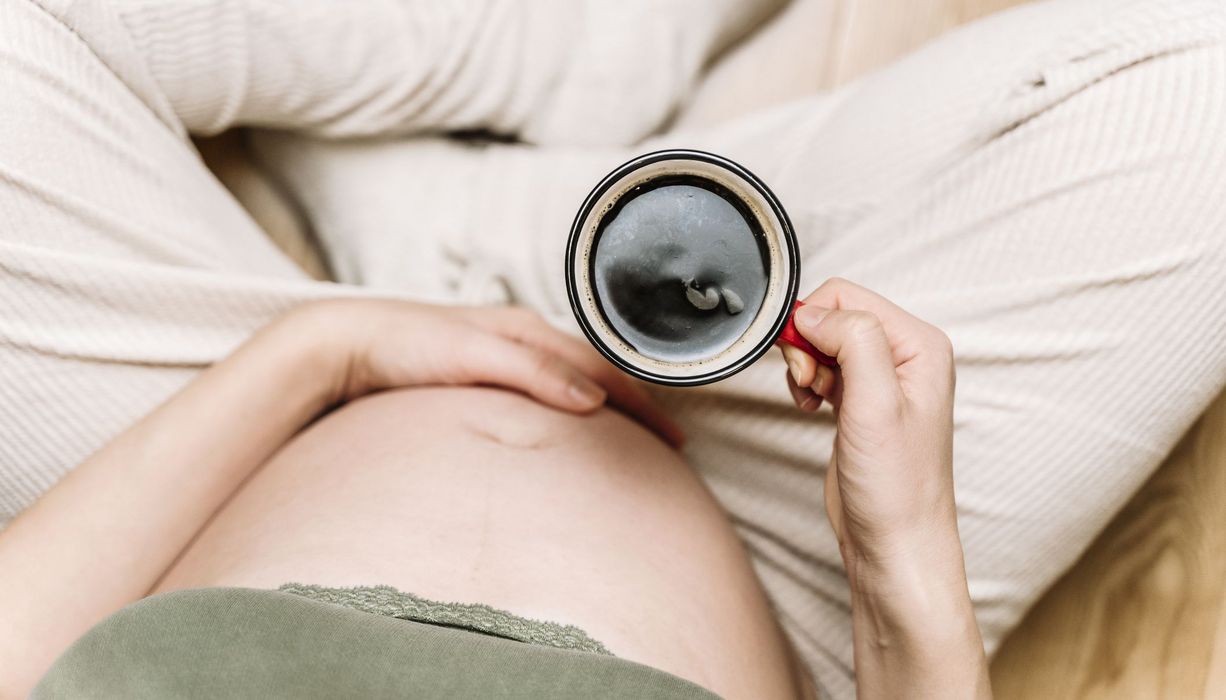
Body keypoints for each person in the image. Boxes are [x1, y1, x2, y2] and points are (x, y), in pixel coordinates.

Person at [2, 0, 1225, 698]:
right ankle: (516, 225)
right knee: (1199, 114)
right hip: (780, 553)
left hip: (207, 461)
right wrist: (900, 548)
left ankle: (521, 133)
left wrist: (318, 351)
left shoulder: (299, 371)